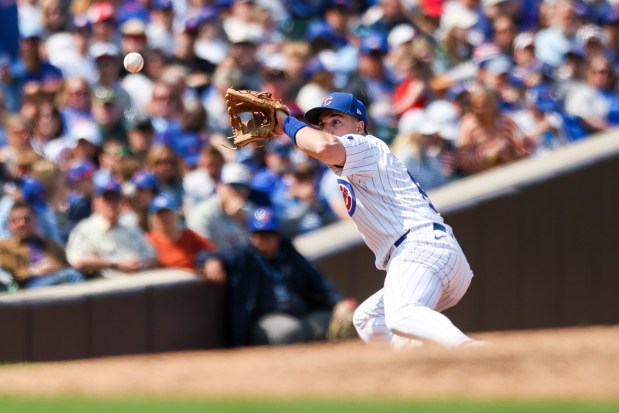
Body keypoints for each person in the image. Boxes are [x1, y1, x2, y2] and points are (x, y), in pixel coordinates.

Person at [273, 91, 477, 348]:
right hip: (432, 256)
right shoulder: (353, 164)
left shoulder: (367, 145)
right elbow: (319, 147)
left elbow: (322, 147)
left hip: (420, 247)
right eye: (323, 125)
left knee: (401, 314)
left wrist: (285, 122)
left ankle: (470, 350)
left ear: (359, 127)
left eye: (336, 121)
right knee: (369, 318)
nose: (328, 129)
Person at [204, 207, 351, 347]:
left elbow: (319, 282)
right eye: (258, 234)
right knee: (289, 331)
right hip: (267, 322)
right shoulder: (244, 256)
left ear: (278, 235)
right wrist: (212, 261)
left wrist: (339, 302)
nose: (263, 239)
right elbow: (206, 254)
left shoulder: (290, 254)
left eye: (269, 234)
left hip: (302, 317)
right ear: (251, 236)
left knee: (341, 320)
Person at [65, 178, 158, 278]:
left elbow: (153, 257)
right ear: (95, 204)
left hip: (138, 282)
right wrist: (115, 265)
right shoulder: (86, 229)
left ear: (122, 202)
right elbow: (78, 261)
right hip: (106, 287)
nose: (111, 205)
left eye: (115, 199)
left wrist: (139, 264)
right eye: (107, 200)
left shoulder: (130, 226)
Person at [0, 200, 85, 289]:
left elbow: (67, 264)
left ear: (35, 220)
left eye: (26, 219)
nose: (21, 224)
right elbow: (10, 272)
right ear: (9, 225)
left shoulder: (51, 243)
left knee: (72, 274)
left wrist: (55, 267)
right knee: (71, 275)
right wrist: (34, 271)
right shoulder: (4, 247)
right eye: (15, 221)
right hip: (29, 286)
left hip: (57, 278)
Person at [145, 193, 216, 274]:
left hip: (193, 281)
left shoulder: (190, 235)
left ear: (176, 213)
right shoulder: (149, 240)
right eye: (160, 214)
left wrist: (211, 262)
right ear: (153, 218)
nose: (164, 217)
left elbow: (212, 250)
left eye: (168, 213)